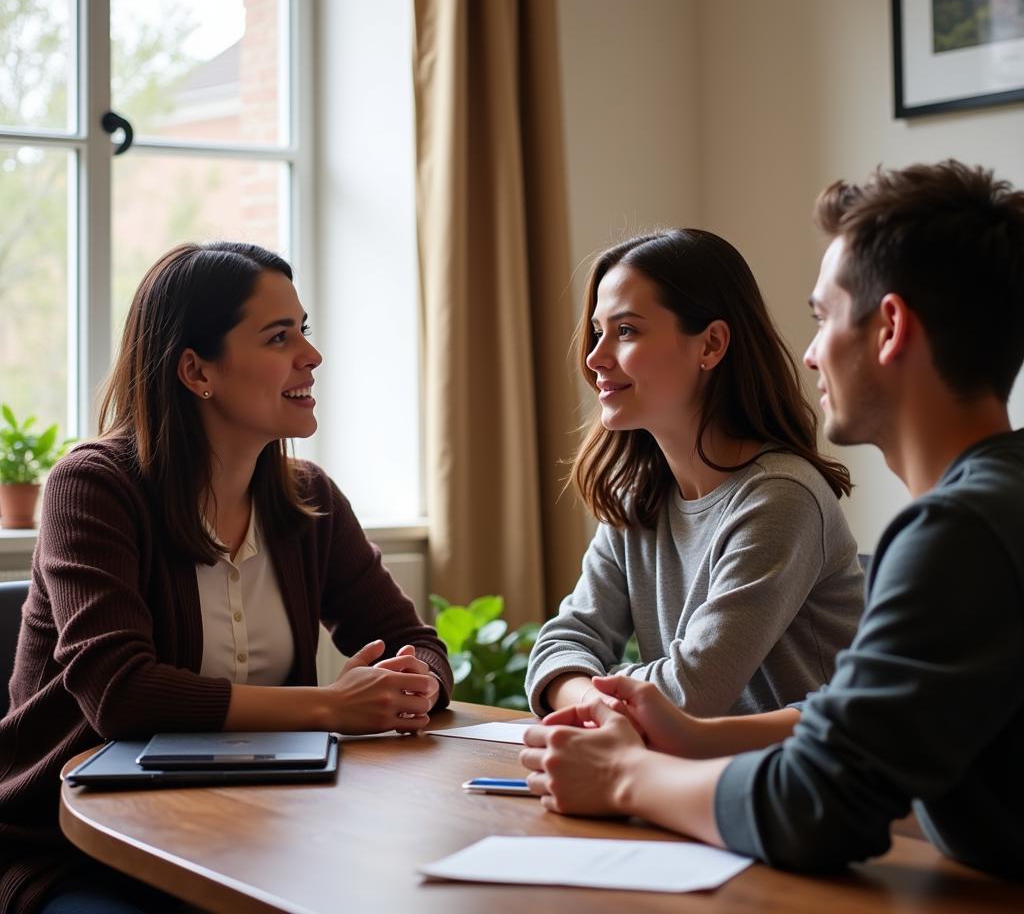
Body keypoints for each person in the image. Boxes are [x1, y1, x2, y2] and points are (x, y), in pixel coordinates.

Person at [520, 160, 1024, 882]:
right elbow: (851, 718)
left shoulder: (961, 531)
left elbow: (818, 801)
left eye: (821, 317)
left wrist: (624, 777)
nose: (811, 352)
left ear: (889, 329)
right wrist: (688, 736)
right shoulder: (991, 506)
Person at [0, 242, 454, 914]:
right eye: (279, 336)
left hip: (265, 832)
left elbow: (411, 637)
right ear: (195, 370)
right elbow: (120, 694)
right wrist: (331, 707)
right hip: (81, 849)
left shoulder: (309, 499)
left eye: (304, 329)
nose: (311, 354)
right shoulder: (93, 486)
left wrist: (414, 681)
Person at [525, 228, 863, 719]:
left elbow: (691, 693)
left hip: (793, 787)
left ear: (711, 344)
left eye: (626, 331)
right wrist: (601, 702)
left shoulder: (780, 498)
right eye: (598, 332)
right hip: (685, 776)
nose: (595, 358)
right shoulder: (636, 496)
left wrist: (587, 697)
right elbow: (560, 645)